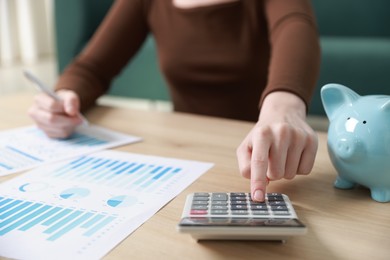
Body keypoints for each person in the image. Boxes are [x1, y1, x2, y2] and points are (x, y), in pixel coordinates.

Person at [28, 0, 321, 201]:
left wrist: (284, 107)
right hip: (185, 160)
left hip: (260, 162)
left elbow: (296, 25)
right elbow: (92, 67)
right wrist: (65, 97)